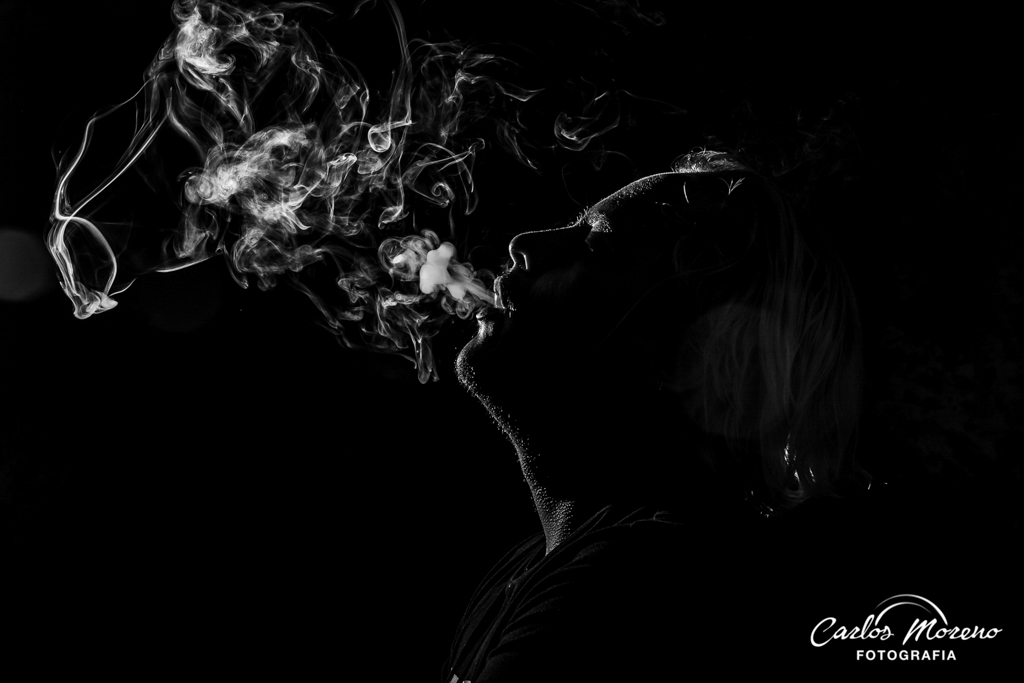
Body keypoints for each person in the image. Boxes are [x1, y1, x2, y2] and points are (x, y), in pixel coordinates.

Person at [444, 150, 866, 681]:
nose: (523, 244)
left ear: (681, 355)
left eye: (595, 243)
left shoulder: (630, 584)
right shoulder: (535, 563)